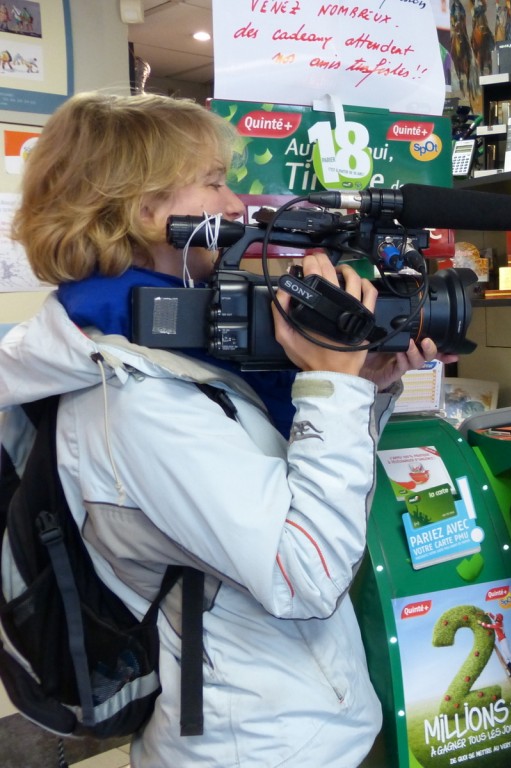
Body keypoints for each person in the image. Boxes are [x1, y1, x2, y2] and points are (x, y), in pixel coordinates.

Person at [0, 92, 455, 766]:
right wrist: (334, 388)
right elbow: (305, 574)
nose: (238, 205)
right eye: (214, 182)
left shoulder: (181, 353)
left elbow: (292, 481)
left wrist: (366, 386)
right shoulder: (135, 399)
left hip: (295, 727)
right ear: (142, 207)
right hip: (249, 747)